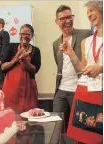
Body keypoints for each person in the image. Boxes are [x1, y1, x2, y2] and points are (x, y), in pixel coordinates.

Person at [59, 1, 103, 143]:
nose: (89, 14)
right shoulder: (87, 41)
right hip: (85, 92)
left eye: (92, 10)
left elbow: (98, 67)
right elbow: (82, 68)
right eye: (87, 12)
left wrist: (101, 68)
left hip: (101, 94)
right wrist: (71, 53)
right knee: (84, 138)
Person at [52, 5, 92, 137]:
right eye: (63, 18)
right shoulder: (55, 43)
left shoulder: (85, 34)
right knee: (57, 127)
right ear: (57, 22)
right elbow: (60, 66)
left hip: (79, 88)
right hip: (61, 90)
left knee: (81, 129)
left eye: (70, 17)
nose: (68, 21)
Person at [2, 24, 41, 113]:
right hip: (11, 88)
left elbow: (35, 70)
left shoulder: (36, 50)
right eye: (22, 34)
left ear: (32, 36)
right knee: (10, 114)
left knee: (28, 114)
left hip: (29, 89)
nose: (24, 36)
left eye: (27, 34)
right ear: (19, 35)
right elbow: (3, 67)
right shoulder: (11, 47)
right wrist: (15, 59)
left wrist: (24, 61)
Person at [0, 18, 10, 89]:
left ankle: (3, 92)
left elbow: (5, 46)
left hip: (0, 60)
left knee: (0, 77)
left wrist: (1, 59)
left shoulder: (4, 33)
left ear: (1, 24)